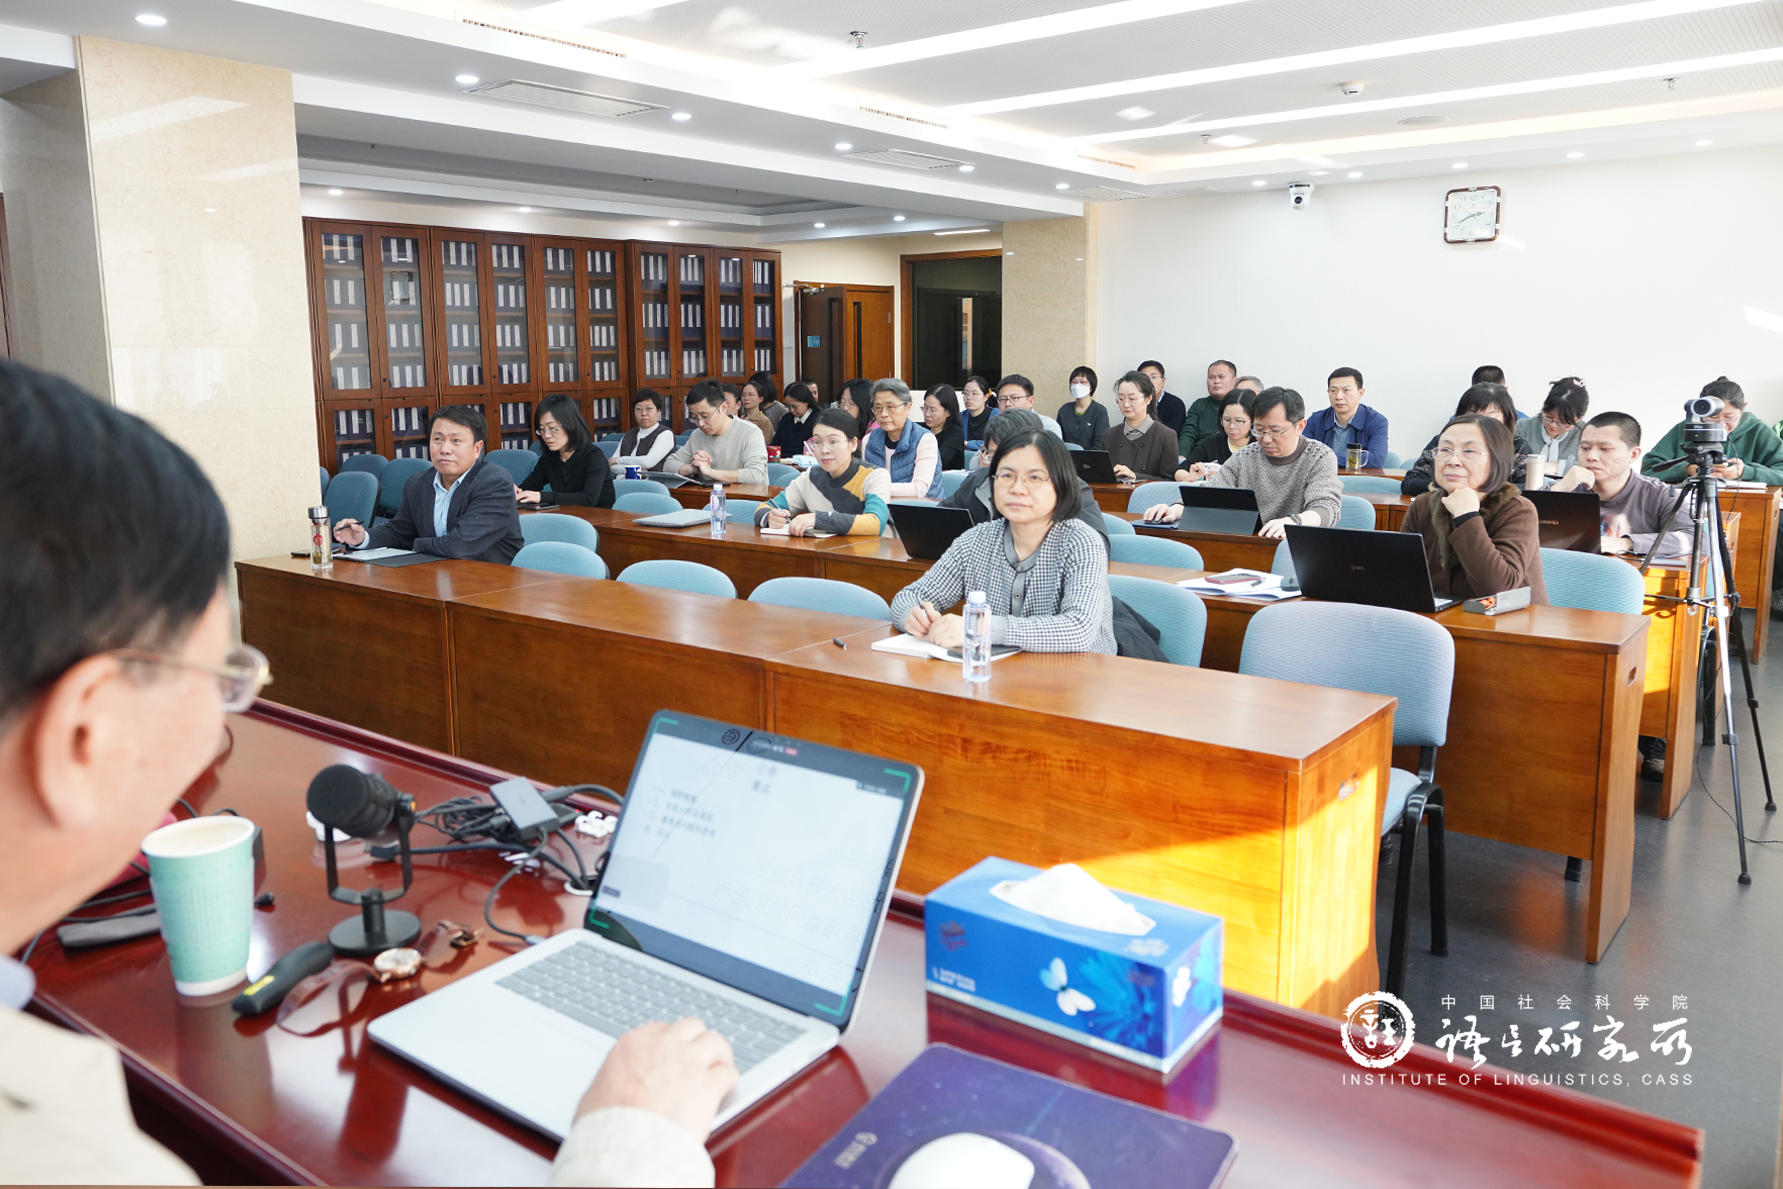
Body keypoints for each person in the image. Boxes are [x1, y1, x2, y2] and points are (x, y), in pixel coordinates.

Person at [0, 359, 736, 1187]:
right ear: (84, 734)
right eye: (220, 678)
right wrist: (632, 1138)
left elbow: (456, 546)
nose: (219, 727)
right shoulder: (67, 1154)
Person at [891, 429, 1116, 654]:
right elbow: (909, 597)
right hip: (999, 671)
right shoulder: (977, 540)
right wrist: (914, 616)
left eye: (1034, 478)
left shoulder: (1082, 542)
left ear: (1061, 484)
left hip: (1079, 671)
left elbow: (1078, 629)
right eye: (1006, 476)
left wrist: (980, 628)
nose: (1017, 489)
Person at [1143, 387, 1342, 539]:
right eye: (1259, 430)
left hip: (1293, 544)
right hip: (1251, 541)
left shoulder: (1319, 456)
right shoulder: (1246, 455)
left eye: (1275, 431)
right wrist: (1174, 509)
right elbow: (1211, 492)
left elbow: (1326, 507)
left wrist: (1294, 522)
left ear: (1300, 426)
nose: (1266, 439)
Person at [335, 405, 522, 564]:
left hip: (490, 582)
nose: (445, 449)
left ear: (477, 448)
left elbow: (459, 546)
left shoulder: (494, 483)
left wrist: (415, 544)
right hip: (437, 575)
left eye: (456, 441)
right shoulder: (418, 483)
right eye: (438, 439)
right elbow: (400, 532)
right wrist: (362, 538)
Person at [1401, 412, 1548, 603]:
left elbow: (1499, 590)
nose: (1453, 460)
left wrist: (1467, 516)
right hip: (1440, 618)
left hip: (1510, 619)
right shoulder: (1422, 505)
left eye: (1469, 451)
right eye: (1445, 449)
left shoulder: (1518, 510)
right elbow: (1401, 575)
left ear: (1497, 460)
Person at [939, 410, 1109, 550]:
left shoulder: (1070, 486)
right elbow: (939, 523)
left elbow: (1096, 547)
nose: (1002, 464)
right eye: (994, 454)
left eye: (1010, 454)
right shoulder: (980, 480)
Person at [1552, 412, 1690, 557]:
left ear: (1633, 455)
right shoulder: (1565, 487)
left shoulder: (1658, 494)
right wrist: (1556, 492)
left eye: (1605, 449)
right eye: (1585, 448)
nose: (1591, 456)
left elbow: (1694, 538)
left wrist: (1626, 543)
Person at [754, 408, 891, 538]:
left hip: (872, 551)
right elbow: (764, 508)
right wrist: (770, 517)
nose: (824, 450)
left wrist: (819, 519)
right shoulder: (811, 477)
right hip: (826, 551)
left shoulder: (874, 476)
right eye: (818, 442)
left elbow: (876, 523)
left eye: (833, 442)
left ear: (853, 444)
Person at [1643, 376, 1783, 485]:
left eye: (1729, 417)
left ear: (1742, 409)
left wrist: (1746, 472)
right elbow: (1649, 471)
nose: (1721, 425)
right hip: (1689, 502)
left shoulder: (1757, 430)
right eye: (1712, 418)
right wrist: (1687, 469)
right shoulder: (1688, 428)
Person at [1402, 384, 1527, 494]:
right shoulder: (1444, 442)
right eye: (1473, 416)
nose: (1481, 423)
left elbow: (1528, 487)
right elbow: (1410, 482)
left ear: (1506, 419)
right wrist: (1446, 487)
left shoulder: (1517, 446)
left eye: (1490, 418)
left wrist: (1479, 493)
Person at [517, 394, 615, 509]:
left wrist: (542, 496)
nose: (546, 435)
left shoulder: (593, 456)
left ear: (570, 424)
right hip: (566, 516)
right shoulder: (549, 458)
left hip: (598, 518)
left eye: (552, 428)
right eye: (542, 430)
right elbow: (528, 487)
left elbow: (588, 499)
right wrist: (515, 492)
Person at [661, 381, 769, 485]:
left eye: (705, 416)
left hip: (746, 496)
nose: (700, 424)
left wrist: (710, 472)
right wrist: (694, 468)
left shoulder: (750, 433)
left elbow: (755, 475)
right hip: (710, 495)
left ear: (723, 408)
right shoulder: (698, 435)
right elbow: (669, 465)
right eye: (695, 418)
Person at [863, 378, 943, 498]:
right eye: (878, 408)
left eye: (890, 407)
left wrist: (875, 488)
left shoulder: (925, 440)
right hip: (880, 506)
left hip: (921, 506)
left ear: (908, 407)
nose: (883, 414)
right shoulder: (869, 440)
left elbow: (919, 489)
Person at [1304, 367, 1390, 468]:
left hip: (1358, 478)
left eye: (1346, 390)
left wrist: (1325, 459)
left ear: (1360, 393)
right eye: (1333, 390)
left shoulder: (1376, 421)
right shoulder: (1316, 420)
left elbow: (1376, 459)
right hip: (1321, 476)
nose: (1339, 397)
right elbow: (1300, 454)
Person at [1104, 371, 1180, 482]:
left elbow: (1169, 482)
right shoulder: (1110, 434)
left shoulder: (1165, 435)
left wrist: (1136, 477)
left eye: (1132, 399)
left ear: (1148, 399)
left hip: (1148, 493)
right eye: (1121, 399)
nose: (1126, 404)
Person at [1514, 377, 1589, 475]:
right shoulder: (1522, 427)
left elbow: (1592, 466)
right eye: (1549, 417)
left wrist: (1557, 467)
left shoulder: (1586, 435)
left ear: (1579, 419)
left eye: (1562, 422)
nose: (1553, 425)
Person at [1177, 389, 1252, 475]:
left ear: (1253, 420)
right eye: (1227, 420)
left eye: (1239, 421)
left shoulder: (1259, 445)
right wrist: (1189, 477)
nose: (1231, 426)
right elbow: (1181, 470)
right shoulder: (1213, 442)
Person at [1177, 359, 1237, 456]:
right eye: (1211, 377)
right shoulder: (1199, 405)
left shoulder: (1241, 407)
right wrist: (1181, 456)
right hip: (1199, 456)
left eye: (1221, 377)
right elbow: (1188, 434)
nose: (1216, 381)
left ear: (1234, 380)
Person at [611, 390, 675, 473]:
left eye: (649, 408)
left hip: (651, 480)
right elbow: (612, 466)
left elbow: (648, 462)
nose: (643, 413)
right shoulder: (629, 434)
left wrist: (619, 460)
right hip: (622, 479)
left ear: (658, 411)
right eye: (638, 409)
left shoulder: (665, 434)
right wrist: (637, 470)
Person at [995, 374, 1063, 438]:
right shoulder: (996, 427)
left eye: (1015, 398)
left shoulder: (1047, 426)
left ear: (1030, 401)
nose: (1008, 403)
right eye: (1003, 399)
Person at [1056, 365, 1108, 450]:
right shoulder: (1064, 410)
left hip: (1091, 457)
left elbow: (1099, 443)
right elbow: (1058, 439)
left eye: (1083, 382)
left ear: (1091, 386)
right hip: (1066, 456)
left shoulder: (1100, 411)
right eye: (1074, 382)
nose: (1077, 385)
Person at [1133, 359, 1185, 441]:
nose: (1149, 382)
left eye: (1153, 377)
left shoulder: (1176, 404)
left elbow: (1172, 435)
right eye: (1144, 378)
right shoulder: (1134, 403)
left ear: (1163, 381)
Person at [923, 383, 968, 470]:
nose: (927, 414)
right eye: (925, 408)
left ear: (948, 412)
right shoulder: (919, 429)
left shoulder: (955, 434)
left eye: (933, 410)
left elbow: (939, 461)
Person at [769, 381, 819, 458]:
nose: (791, 410)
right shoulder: (786, 419)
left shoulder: (818, 420)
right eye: (788, 406)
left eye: (794, 406)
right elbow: (775, 445)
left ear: (806, 402)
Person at [836, 378, 876, 451]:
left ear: (865, 405)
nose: (845, 408)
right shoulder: (839, 422)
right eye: (842, 402)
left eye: (851, 403)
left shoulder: (875, 431)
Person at [734, 380, 775, 445]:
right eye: (743, 395)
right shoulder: (741, 418)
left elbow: (766, 444)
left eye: (750, 395)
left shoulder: (764, 421)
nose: (746, 398)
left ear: (760, 398)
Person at [960, 375, 998, 444]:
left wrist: (967, 444)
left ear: (986, 397)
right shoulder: (961, 416)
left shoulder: (996, 415)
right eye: (965, 393)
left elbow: (994, 443)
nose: (969, 397)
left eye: (974, 394)